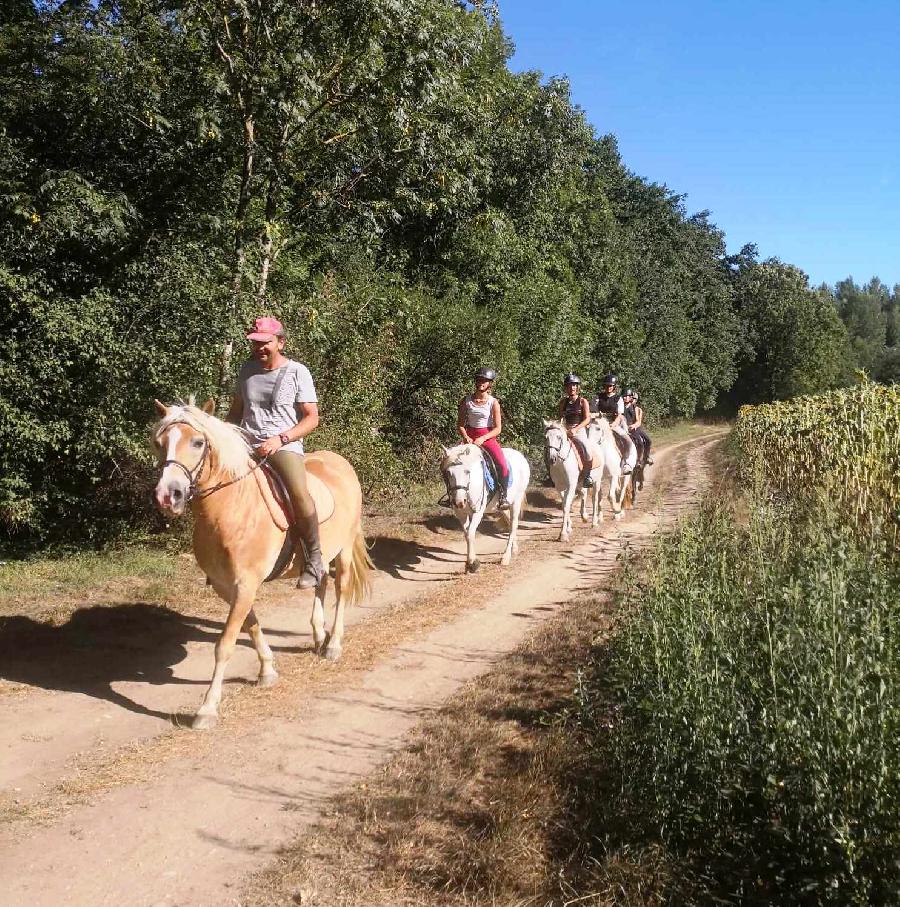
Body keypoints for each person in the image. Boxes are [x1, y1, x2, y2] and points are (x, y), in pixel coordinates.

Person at [226, 316, 324, 589]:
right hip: (246, 443)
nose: (260, 348)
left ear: (280, 342)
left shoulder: (297, 372)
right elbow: (236, 412)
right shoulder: (246, 370)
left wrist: (280, 439)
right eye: (255, 343)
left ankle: (314, 559)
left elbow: (311, 418)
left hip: (282, 445)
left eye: (265, 342)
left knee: (298, 492)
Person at [457, 366, 510, 509]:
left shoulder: (493, 402)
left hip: (487, 437)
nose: (481, 383)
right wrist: (466, 436)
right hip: (470, 437)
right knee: (453, 463)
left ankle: (503, 496)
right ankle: (453, 495)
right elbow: (460, 425)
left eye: (484, 381)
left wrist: (483, 438)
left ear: (489, 384)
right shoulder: (466, 401)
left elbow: (498, 428)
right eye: (479, 380)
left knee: (503, 465)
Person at [557, 373, 594, 487]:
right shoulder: (563, 402)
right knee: (552, 448)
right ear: (566, 388)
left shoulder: (583, 401)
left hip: (579, 429)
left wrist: (576, 429)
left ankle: (587, 476)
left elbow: (587, 419)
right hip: (566, 430)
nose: (572, 388)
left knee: (587, 449)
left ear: (577, 387)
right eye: (569, 385)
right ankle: (553, 474)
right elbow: (561, 418)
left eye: (574, 385)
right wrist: (562, 428)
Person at [592, 373, 633, 474]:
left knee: (628, 441)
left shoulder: (618, 398)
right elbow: (593, 412)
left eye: (610, 385)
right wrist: (598, 416)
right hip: (599, 425)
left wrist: (613, 424)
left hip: (613, 424)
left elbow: (619, 415)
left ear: (614, 387)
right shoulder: (598, 397)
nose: (608, 387)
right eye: (606, 385)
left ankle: (626, 463)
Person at [622, 388, 653, 466]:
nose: (626, 398)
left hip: (633, 428)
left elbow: (638, 421)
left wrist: (634, 425)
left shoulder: (636, 408)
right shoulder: (620, 406)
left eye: (628, 396)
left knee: (646, 441)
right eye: (624, 396)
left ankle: (643, 458)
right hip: (623, 427)